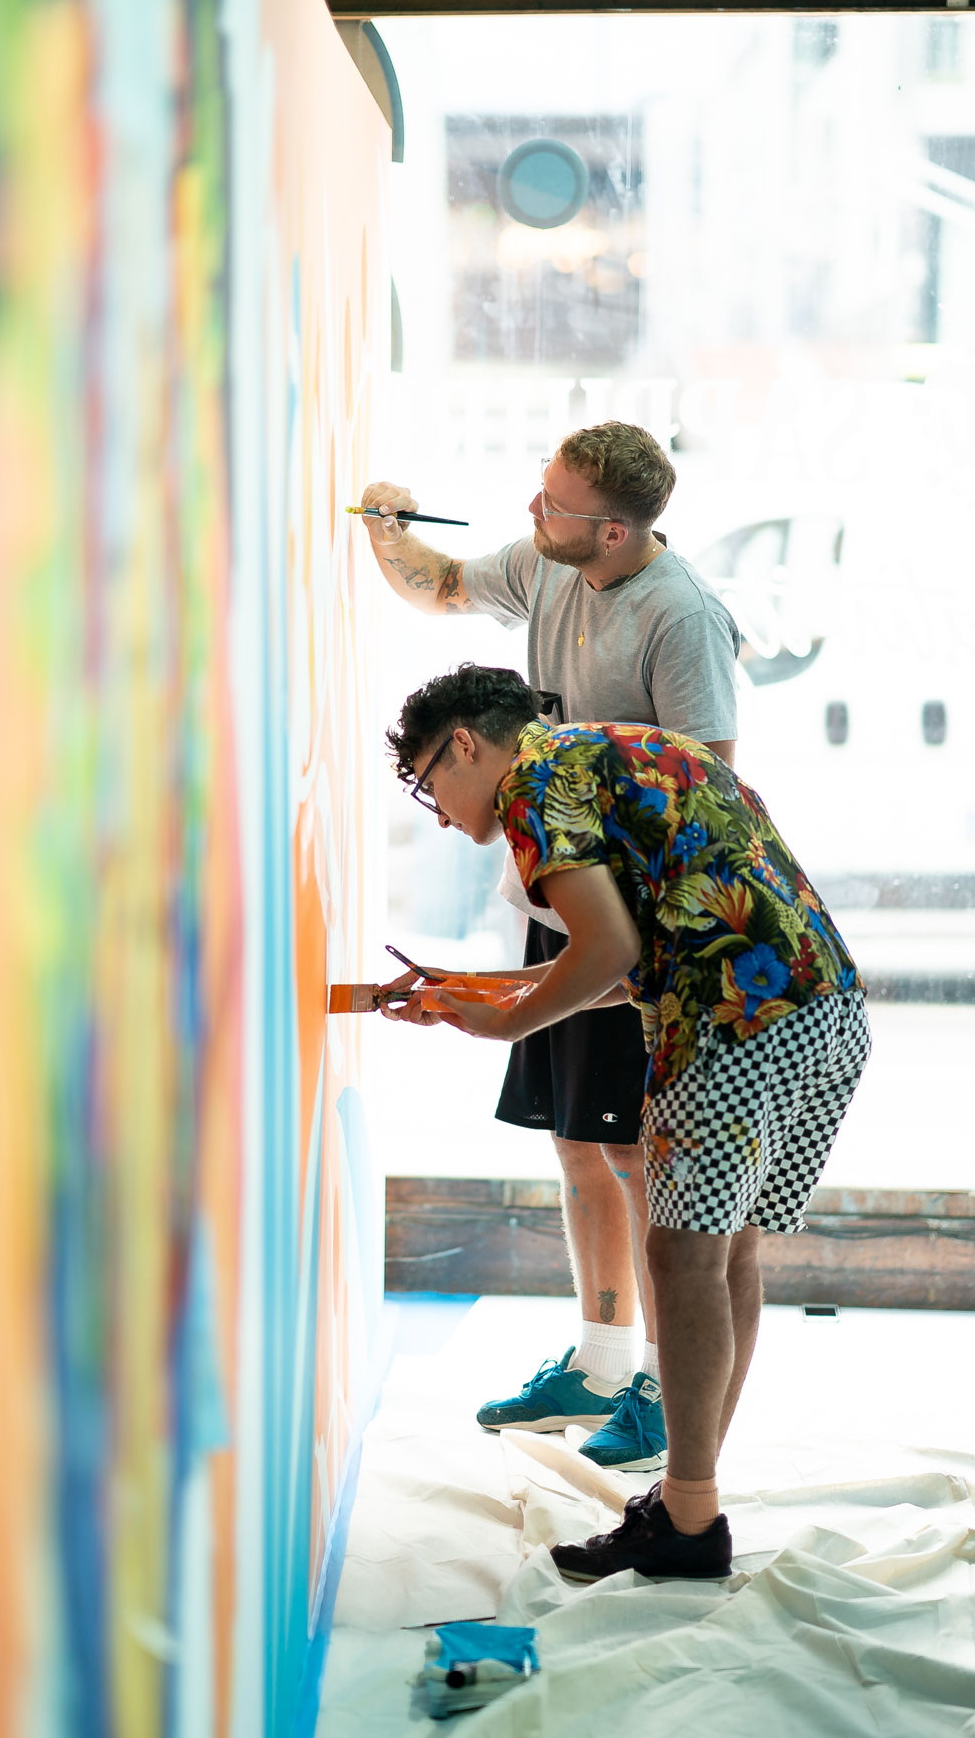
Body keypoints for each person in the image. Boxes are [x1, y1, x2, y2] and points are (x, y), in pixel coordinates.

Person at [382, 664, 870, 1581]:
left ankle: (687, 1526)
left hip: (734, 1019)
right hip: (823, 1006)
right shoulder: (628, 750)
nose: (439, 814)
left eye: (428, 784)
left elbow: (606, 947)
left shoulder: (533, 781)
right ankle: (688, 1497)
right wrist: (499, 989)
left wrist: (505, 1023)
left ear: (464, 745)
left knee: (683, 1257)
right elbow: (637, 954)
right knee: (724, 1255)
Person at [359, 422, 739, 1472]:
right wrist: (386, 530)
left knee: (636, 1153)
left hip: (633, 907)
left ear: (612, 529)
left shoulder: (678, 616)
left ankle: (666, 1389)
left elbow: (709, 782)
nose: (531, 514)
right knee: (578, 1139)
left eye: (552, 504)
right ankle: (603, 1355)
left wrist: (604, 951)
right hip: (556, 885)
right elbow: (437, 584)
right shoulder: (545, 563)